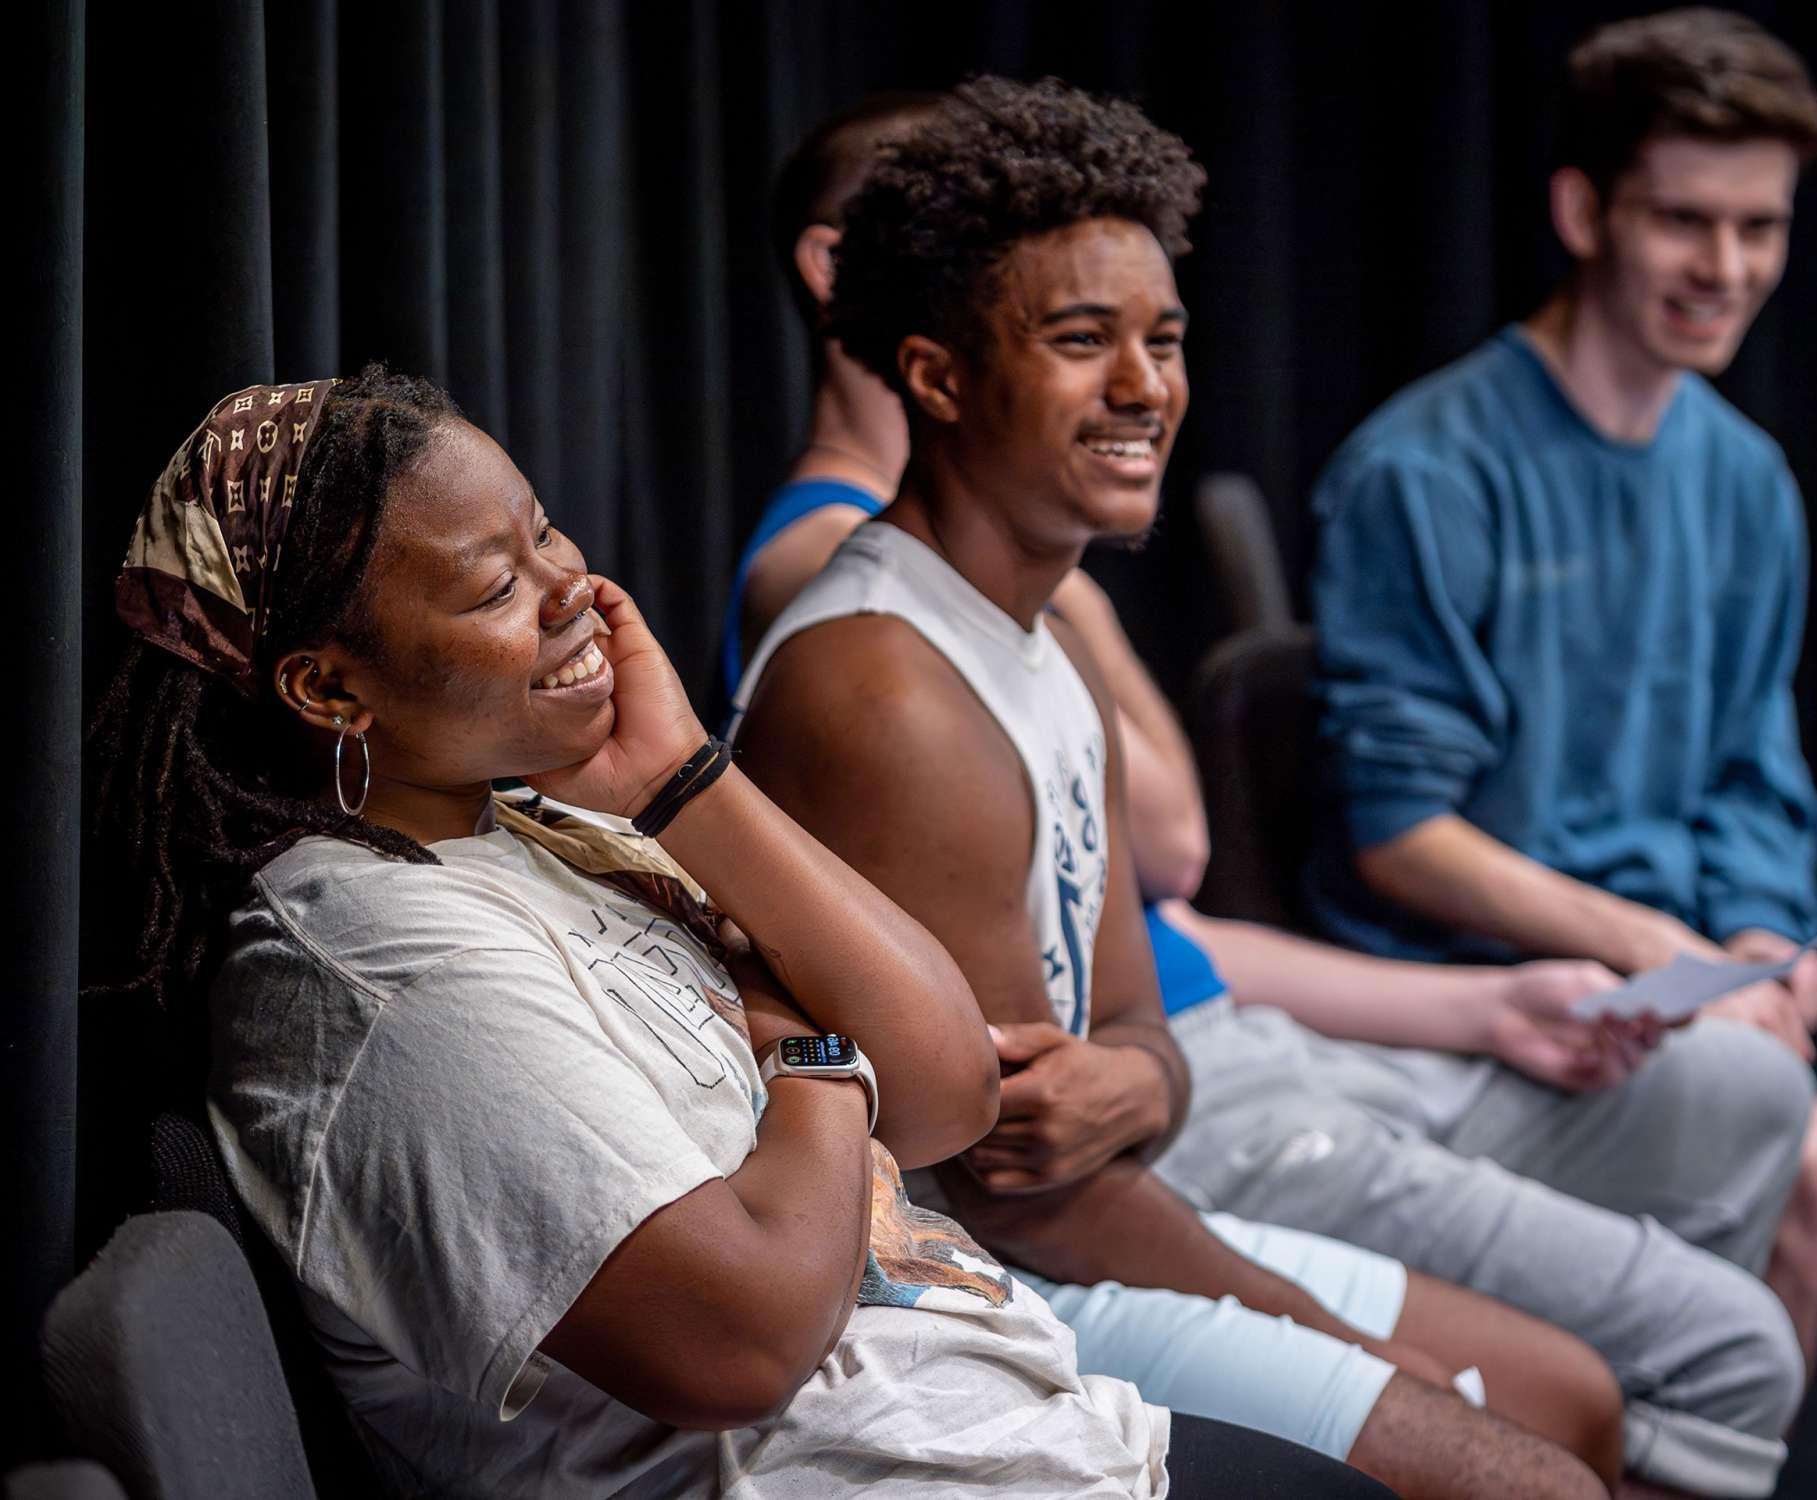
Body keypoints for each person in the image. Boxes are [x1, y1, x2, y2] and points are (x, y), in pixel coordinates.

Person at [729, 83, 1817, 1499]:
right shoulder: (887, 683)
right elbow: (1026, 1189)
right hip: (963, 1299)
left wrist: (1143, 1074)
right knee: (1534, 1459)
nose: (1145, 387)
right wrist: (1335, 1335)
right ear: (935, 376)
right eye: (1082, 342)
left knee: (1573, 1396)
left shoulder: (1041, 643)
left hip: (1076, 1224)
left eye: (1163, 339)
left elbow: (1138, 1033)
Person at [86, 367, 1399, 1498]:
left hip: (1019, 1426)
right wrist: (810, 1047)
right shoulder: (367, 964)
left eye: (547, 535)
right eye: (498, 586)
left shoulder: (540, 824)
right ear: (332, 688)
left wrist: (684, 787)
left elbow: (948, 1092)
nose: (574, 589)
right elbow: (745, 1341)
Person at [1308, 9, 1817, 1494]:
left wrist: (1756, 935)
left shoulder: (1745, 477)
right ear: (1584, 212)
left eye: (1761, 227)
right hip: (1503, 987)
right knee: (1813, 1165)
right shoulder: (1428, 467)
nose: (1727, 268)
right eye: (1686, 221)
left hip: (1699, 965)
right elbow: (1399, 834)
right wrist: (1654, 948)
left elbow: (1757, 772)